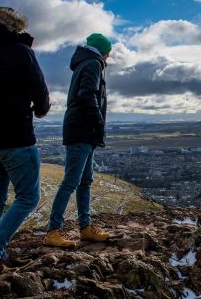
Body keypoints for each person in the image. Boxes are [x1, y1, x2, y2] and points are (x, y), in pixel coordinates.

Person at [0, 7, 50, 276]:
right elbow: (40, 93)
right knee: (29, 197)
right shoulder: (21, 53)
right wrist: (40, 109)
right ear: (13, 27)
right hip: (16, 138)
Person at [44, 33, 111, 248]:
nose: (109, 57)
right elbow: (87, 95)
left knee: (84, 181)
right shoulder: (93, 63)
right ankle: (53, 230)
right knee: (72, 181)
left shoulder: (86, 63)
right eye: (109, 53)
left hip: (83, 131)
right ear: (103, 51)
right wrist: (98, 120)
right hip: (82, 130)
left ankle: (85, 228)